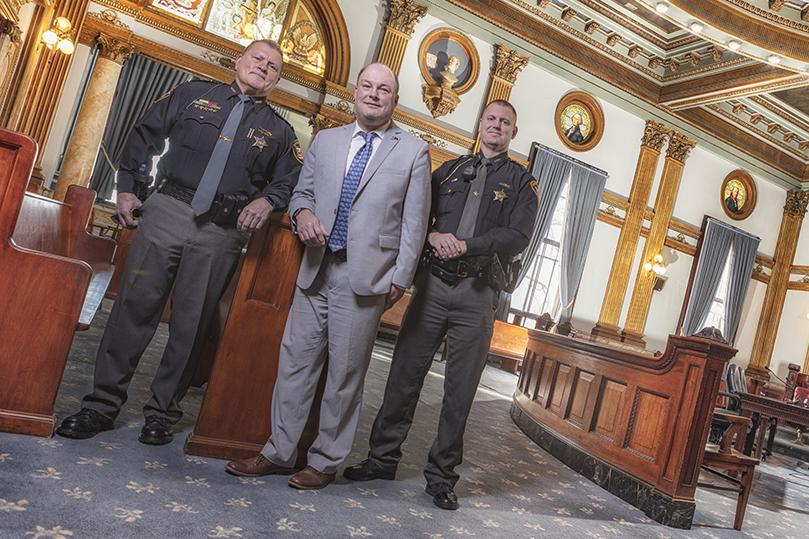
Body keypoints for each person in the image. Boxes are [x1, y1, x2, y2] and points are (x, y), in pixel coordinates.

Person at [57, 39, 302, 445]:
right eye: (257, 58)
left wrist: (267, 199)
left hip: (220, 233)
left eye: (273, 66)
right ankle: (100, 405)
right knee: (133, 310)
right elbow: (143, 136)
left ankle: (162, 412)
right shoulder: (192, 95)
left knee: (191, 326)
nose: (263, 67)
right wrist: (128, 189)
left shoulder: (280, 131)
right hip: (167, 209)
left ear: (277, 80)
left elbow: (289, 181)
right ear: (238, 60)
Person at [224, 63, 431, 490]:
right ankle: (279, 452)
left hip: (367, 279)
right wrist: (302, 215)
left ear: (394, 99)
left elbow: (415, 222)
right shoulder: (326, 140)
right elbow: (302, 192)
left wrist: (401, 278)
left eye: (384, 89)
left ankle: (324, 460)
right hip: (316, 270)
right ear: (356, 92)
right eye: (367, 85)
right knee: (295, 365)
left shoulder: (413, 151)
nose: (374, 94)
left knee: (344, 376)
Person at [343, 99, 538, 510]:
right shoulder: (449, 171)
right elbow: (417, 215)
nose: (497, 126)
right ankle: (381, 458)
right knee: (403, 376)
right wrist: (432, 237)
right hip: (432, 286)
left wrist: (467, 245)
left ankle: (441, 477)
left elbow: (518, 235)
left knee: (460, 391)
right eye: (491, 119)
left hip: (477, 293)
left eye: (506, 122)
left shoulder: (520, 182)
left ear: (513, 133)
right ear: (480, 124)